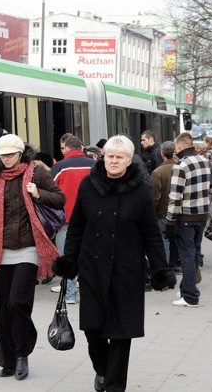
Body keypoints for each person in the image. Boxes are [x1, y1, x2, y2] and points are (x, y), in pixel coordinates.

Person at [52, 135, 175, 392]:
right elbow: (75, 228)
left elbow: (152, 234)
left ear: (129, 161)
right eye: (110, 156)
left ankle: (115, 385)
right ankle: (103, 369)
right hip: (92, 269)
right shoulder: (88, 185)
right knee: (92, 327)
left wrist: (160, 269)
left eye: (120, 157)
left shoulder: (141, 190)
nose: (114, 161)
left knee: (121, 332)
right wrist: (69, 261)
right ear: (103, 157)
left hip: (126, 271)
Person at [0, 134, 65, 381]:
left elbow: (60, 199)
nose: (6, 159)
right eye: (2, 155)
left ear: (21, 153)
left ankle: (23, 353)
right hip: (0, 252)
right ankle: (8, 360)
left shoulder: (36, 173)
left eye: (10, 155)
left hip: (29, 249)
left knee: (17, 303)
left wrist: (38, 194)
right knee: (3, 309)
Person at [165, 132, 210, 307]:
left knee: (187, 256)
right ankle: (187, 287)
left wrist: (170, 220)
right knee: (195, 253)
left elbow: (175, 196)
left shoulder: (180, 166)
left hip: (186, 216)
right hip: (202, 214)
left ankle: (190, 296)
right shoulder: (204, 161)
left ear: (180, 146)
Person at [49, 134, 95, 303]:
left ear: (67, 148)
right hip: (90, 219)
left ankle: (70, 295)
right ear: (81, 148)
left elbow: (49, 190)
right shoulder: (94, 165)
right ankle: (90, 293)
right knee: (89, 256)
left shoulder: (60, 167)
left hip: (66, 220)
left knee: (67, 256)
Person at [151, 141, 180, 271]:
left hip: (163, 213)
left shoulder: (157, 172)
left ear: (162, 154)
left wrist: (152, 212)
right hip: (181, 213)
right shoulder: (182, 168)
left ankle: (166, 269)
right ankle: (175, 264)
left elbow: (155, 197)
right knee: (177, 240)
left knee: (165, 241)